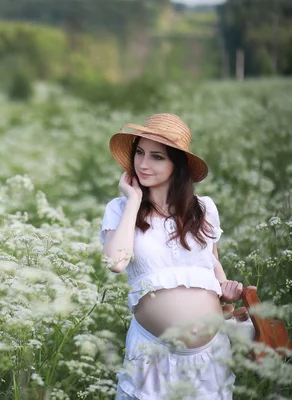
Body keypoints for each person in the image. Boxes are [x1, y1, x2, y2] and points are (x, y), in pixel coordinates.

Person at [99, 113, 243, 399]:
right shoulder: (120, 208)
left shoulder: (204, 209)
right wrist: (134, 200)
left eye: (156, 157)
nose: (142, 164)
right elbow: (116, 262)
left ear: (177, 164)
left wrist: (226, 290)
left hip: (210, 353)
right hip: (153, 351)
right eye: (139, 153)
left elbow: (212, 263)